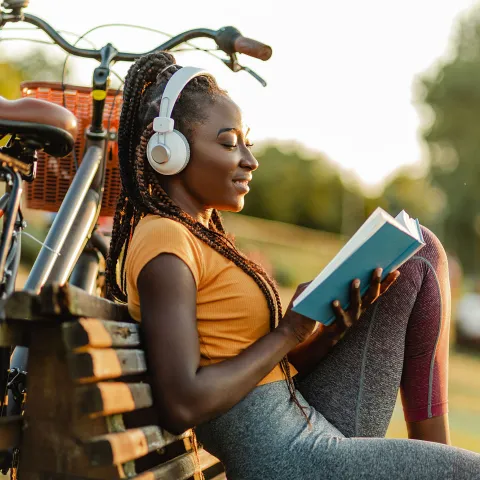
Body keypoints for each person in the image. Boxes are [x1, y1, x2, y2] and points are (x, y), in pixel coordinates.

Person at [105, 51, 480, 479]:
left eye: (248, 142)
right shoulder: (164, 240)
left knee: (418, 255)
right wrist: (289, 331)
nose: (249, 159)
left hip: (301, 423)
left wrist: (327, 331)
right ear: (168, 151)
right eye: (229, 143)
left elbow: (261, 371)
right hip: (288, 459)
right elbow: (182, 404)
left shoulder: (201, 234)